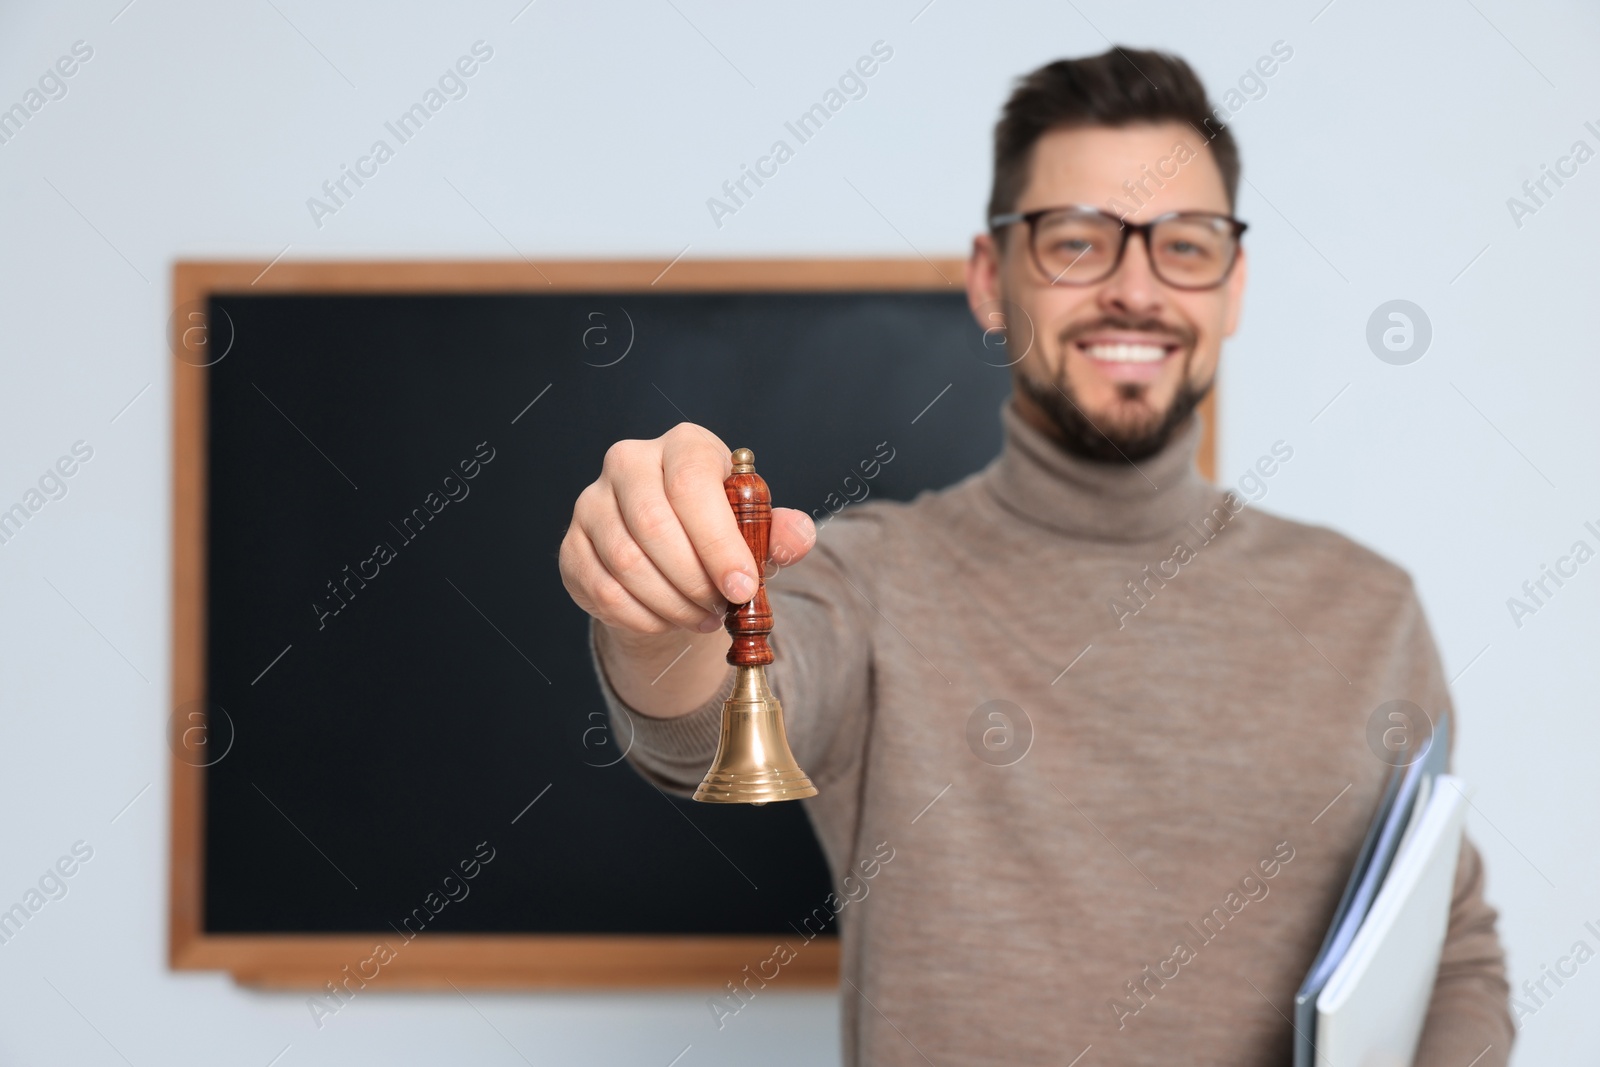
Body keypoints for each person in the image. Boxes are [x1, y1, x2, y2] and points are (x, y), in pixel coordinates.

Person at [559, 46, 1514, 1067]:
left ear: (1231, 289)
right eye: (1075, 242)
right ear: (989, 278)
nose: (1133, 290)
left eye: (1183, 246)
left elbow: (1449, 951)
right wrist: (651, 607)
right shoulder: (871, 578)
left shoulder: (1369, 608)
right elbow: (694, 730)